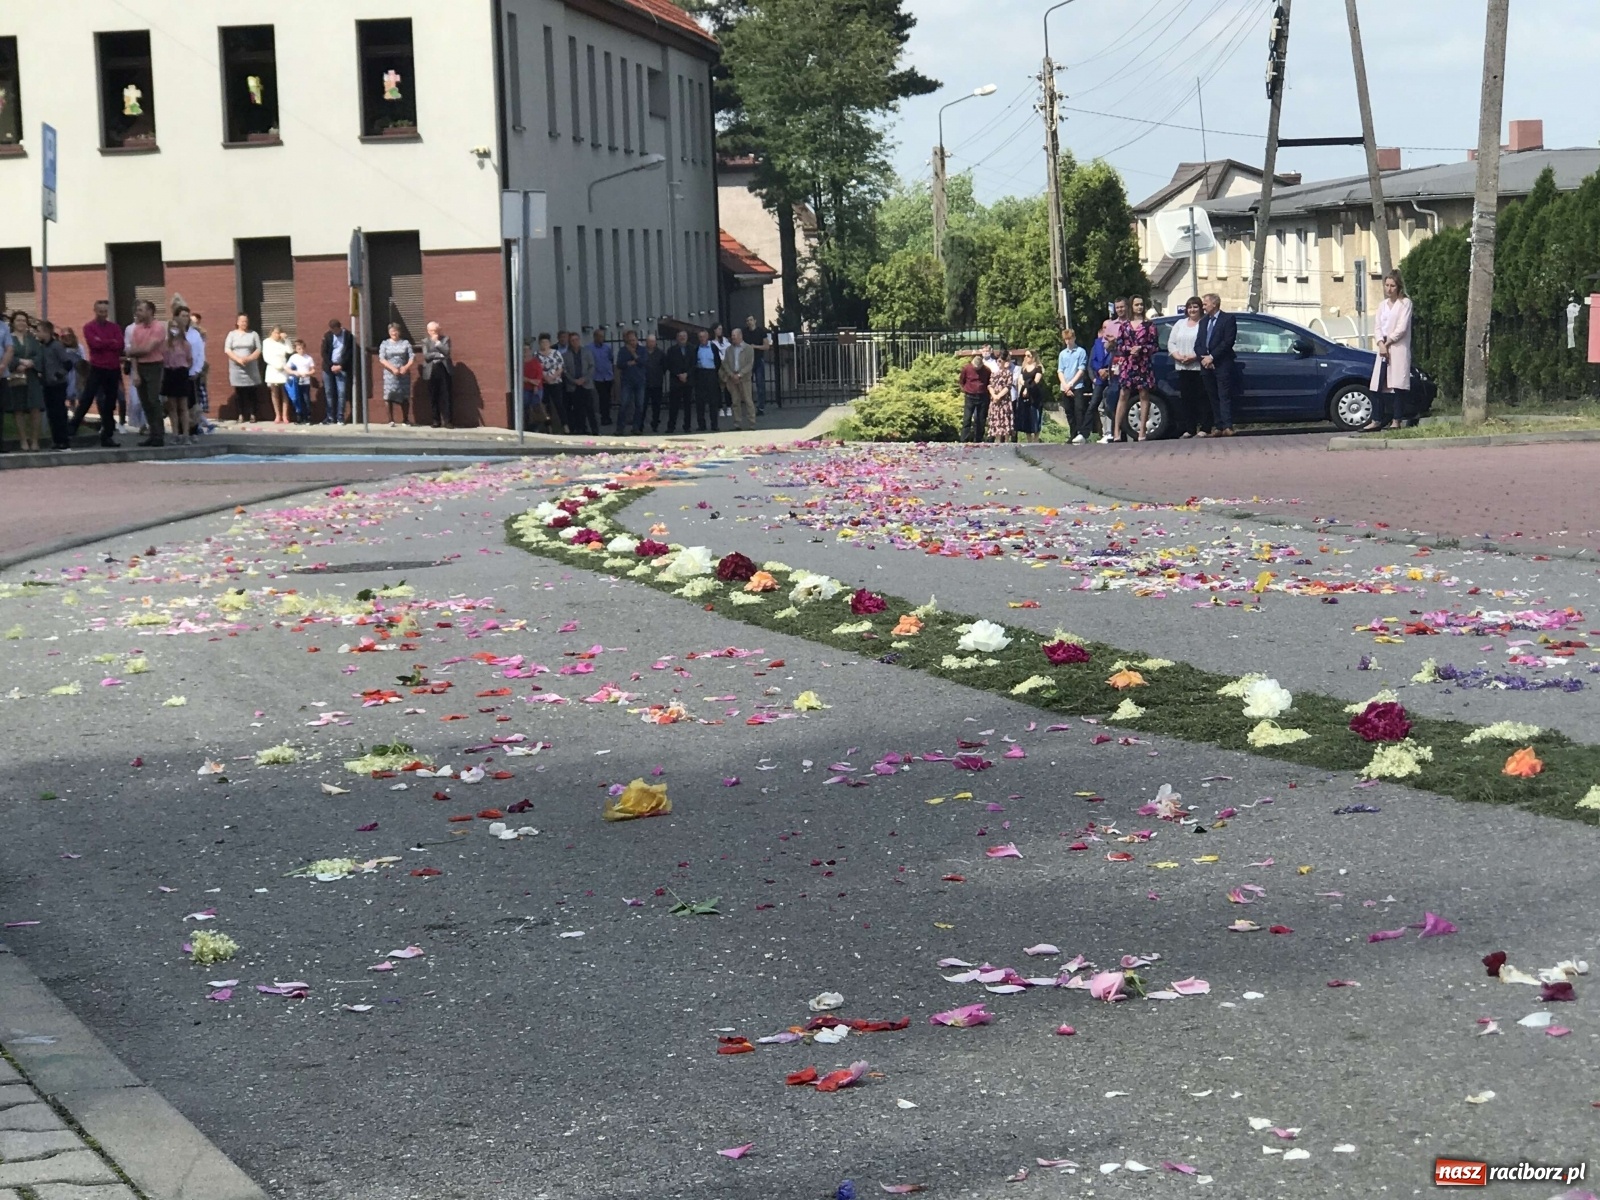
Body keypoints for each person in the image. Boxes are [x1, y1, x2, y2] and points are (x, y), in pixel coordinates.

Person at [1366, 270, 1413, 432]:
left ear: (1398, 286)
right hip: (1382, 348)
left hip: (1397, 347)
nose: (1389, 289)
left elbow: (1402, 328)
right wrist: (1380, 343)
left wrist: (1388, 341)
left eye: (1392, 286)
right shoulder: (1382, 305)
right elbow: (1377, 326)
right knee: (1377, 385)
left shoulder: (1405, 304)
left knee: (1397, 385)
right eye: (1387, 285)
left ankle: (1396, 419)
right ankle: (1376, 419)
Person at [72, 300, 124, 446]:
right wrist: (109, 342)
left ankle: (107, 434)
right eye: (100, 311)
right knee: (87, 398)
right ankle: (73, 427)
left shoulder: (115, 327)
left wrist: (104, 342)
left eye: (105, 311)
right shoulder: (89, 327)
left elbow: (120, 344)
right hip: (97, 367)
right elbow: (94, 344)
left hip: (113, 368)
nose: (103, 314)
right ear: (95, 311)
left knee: (110, 402)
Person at [1115, 296, 1158, 441]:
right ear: (1131, 307)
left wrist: (1142, 349)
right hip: (1128, 363)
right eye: (1136, 305)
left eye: (1141, 304)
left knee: (1144, 395)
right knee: (1123, 395)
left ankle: (1142, 432)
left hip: (1143, 363)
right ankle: (1116, 432)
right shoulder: (1124, 326)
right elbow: (1119, 345)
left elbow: (1155, 346)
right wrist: (1129, 349)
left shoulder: (1149, 325)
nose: (1139, 307)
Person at [125, 300, 167, 446]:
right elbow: (135, 354)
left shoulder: (158, 328)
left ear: (150, 311)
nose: (138, 313)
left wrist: (130, 351)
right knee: (144, 401)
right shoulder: (136, 329)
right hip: (140, 367)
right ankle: (151, 432)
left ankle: (159, 434)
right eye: (137, 310)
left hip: (154, 365)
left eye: (141, 310)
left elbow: (147, 349)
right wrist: (135, 372)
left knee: (153, 399)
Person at [1196, 292, 1238, 437]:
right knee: (1212, 396)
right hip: (1206, 365)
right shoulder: (1203, 321)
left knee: (1223, 395)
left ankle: (1227, 426)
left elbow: (1228, 341)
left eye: (1205, 304)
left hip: (1221, 363)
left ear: (1214, 304)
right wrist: (1204, 359)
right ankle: (1218, 426)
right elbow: (1198, 343)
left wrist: (1212, 358)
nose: (1203, 307)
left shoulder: (1228, 319)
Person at [3, 311, 45, 451]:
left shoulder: (32, 339)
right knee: (18, 408)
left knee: (35, 407)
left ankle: (34, 440)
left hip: (32, 377)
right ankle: (23, 440)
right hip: (16, 377)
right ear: (13, 323)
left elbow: (39, 354)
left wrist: (32, 363)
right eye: (18, 320)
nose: (21, 323)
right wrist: (17, 362)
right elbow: (6, 354)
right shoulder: (9, 338)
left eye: (23, 320)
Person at [1167, 296, 1207, 438]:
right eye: (1190, 307)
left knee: (1202, 398)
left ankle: (1204, 427)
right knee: (1187, 399)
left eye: (1195, 307)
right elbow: (1171, 343)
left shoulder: (1204, 323)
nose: (1192, 310)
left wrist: (1194, 356)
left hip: (1199, 366)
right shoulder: (1180, 323)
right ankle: (1190, 428)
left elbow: (1206, 343)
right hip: (1182, 366)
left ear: (1201, 308)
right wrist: (1177, 356)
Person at [37, 320, 74, 450]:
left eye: (39, 331)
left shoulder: (57, 346)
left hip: (58, 384)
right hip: (47, 384)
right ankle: (56, 439)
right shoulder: (42, 347)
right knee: (51, 413)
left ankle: (64, 439)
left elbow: (68, 363)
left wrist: (58, 375)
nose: (37, 334)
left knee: (59, 412)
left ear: (47, 332)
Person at [224, 313, 263, 423]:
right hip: (237, 368)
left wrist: (249, 358)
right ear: (237, 322)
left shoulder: (253, 334)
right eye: (242, 321)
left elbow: (259, 349)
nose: (244, 323)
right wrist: (238, 359)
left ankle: (253, 414)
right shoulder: (231, 334)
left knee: (252, 392)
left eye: (245, 321)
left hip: (250, 367)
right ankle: (240, 414)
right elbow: (227, 349)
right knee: (239, 393)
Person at [160, 315, 194, 442]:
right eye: (172, 327)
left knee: (183, 406)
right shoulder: (165, 344)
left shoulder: (185, 344)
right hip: (169, 373)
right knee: (172, 406)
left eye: (176, 327)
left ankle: (186, 434)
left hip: (181, 373)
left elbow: (190, 360)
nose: (174, 329)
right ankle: (175, 434)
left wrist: (184, 370)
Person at [1056, 329, 1090, 443]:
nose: (1067, 341)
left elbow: (1081, 369)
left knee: (1079, 410)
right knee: (1069, 411)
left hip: (1077, 386)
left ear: (1074, 338)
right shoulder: (1062, 354)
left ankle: (1081, 434)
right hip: (1065, 386)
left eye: (1069, 339)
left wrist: (1071, 384)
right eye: (1066, 339)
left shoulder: (1081, 352)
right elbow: (1060, 370)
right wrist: (1065, 386)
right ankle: (1073, 433)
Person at [721, 327, 756, 431]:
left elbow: (750, 364)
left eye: (734, 336)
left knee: (748, 400)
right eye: (732, 336)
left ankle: (752, 423)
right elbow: (725, 363)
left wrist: (740, 374)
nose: (732, 338)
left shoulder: (748, 348)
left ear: (740, 336)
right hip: (732, 378)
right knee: (735, 401)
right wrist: (731, 375)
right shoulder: (729, 349)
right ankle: (737, 423)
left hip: (744, 378)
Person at [378, 323, 414, 425]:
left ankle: (405, 420)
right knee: (389, 395)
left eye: (395, 331)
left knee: (404, 395)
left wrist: (406, 367)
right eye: (392, 331)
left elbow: (412, 357)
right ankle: (391, 420)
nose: (394, 333)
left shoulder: (405, 343)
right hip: (390, 373)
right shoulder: (384, 343)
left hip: (403, 373)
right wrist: (392, 368)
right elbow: (382, 358)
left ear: (399, 332)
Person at [563, 331, 598, 435]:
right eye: (572, 340)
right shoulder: (565, 355)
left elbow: (592, 366)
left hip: (586, 384)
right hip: (573, 385)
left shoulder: (587, 352)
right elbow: (564, 371)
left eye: (576, 340)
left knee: (590, 408)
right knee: (578, 409)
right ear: (570, 342)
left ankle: (595, 430)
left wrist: (585, 378)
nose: (575, 342)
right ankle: (581, 429)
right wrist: (573, 380)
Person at [421, 321, 454, 427]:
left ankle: (447, 421)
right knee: (433, 396)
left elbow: (447, 352)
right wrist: (439, 354)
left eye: (436, 330)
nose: (434, 333)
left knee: (446, 395)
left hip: (443, 369)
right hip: (431, 370)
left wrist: (438, 344)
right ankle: (436, 420)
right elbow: (426, 356)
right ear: (428, 331)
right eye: (431, 331)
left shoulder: (445, 339)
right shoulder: (425, 341)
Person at [321, 319, 354, 425]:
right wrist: (331, 365)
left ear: (340, 327)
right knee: (329, 392)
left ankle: (340, 417)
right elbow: (324, 352)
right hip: (328, 368)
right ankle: (330, 417)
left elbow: (350, 352)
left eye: (336, 330)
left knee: (342, 393)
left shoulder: (348, 336)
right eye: (333, 330)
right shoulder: (327, 336)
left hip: (342, 367)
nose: (335, 332)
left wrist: (341, 365)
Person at [1089, 328, 1117, 445]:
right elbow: (1091, 363)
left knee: (1110, 405)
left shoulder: (1114, 346)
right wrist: (1094, 377)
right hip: (1098, 380)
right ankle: (1106, 432)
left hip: (1111, 379)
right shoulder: (1096, 346)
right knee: (1100, 407)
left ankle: (1112, 432)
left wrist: (1107, 370)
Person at [615, 329, 646, 434]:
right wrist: (629, 363)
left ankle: (636, 427)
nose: (632, 342)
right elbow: (619, 364)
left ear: (637, 340)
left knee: (639, 405)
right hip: (627, 381)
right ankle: (620, 428)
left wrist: (634, 354)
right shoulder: (623, 350)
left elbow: (643, 362)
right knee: (623, 404)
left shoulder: (642, 350)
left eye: (633, 340)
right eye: (630, 341)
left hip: (639, 381)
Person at [184, 310, 210, 435]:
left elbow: (200, 353)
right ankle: (183, 428)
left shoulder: (198, 334)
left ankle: (195, 425)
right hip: (180, 370)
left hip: (195, 370)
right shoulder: (175, 333)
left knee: (196, 398)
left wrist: (197, 370)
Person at [664, 329, 695, 434]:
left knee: (687, 405)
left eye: (684, 336)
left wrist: (687, 374)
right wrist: (678, 374)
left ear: (687, 337)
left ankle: (687, 426)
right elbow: (668, 364)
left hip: (688, 380)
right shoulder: (671, 350)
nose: (682, 338)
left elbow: (694, 364)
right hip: (675, 381)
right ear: (677, 338)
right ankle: (671, 427)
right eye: (680, 336)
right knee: (674, 406)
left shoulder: (692, 349)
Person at [692, 327, 722, 433]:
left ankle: (714, 425)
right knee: (700, 402)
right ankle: (701, 425)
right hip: (700, 374)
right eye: (700, 337)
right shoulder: (696, 348)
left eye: (704, 336)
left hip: (711, 374)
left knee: (713, 401)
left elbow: (718, 362)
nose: (702, 339)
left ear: (707, 337)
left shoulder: (713, 347)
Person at [1015, 349, 1046, 444]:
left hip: (1034, 395)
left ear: (1033, 357)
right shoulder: (1023, 368)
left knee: (1036, 416)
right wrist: (1024, 386)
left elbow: (1036, 381)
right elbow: (1020, 380)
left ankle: (1036, 439)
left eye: (1028, 355)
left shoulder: (1038, 368)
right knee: (1026, 416)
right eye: (1025, 355)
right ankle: (1028, 440)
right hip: (1024, 395)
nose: (1026, 357)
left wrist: (1027, 388)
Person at [261, 325, 291, 423]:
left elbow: (290, 350)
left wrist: (286, 339)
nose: (277, 335)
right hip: (272, 368)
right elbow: (266, 357)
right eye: (276, 333)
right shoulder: (266, 342)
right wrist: (276, 365)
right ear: (271, 333)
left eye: (279, 333)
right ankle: (277, 415)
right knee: (274, 393)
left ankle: (284, 415)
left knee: (285, 392)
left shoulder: (283, 342)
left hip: (283, 369)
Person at [959, 350, 990, 442]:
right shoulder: (967, 368)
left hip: (983, 396)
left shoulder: (986, 370)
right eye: (975, 367)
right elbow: (961, 380)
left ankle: (978, 440)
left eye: (978, 368)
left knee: (980, 419)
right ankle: (964, 440)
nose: (976, 369)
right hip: (970, 396)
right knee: (967, 419)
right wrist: (964, 389)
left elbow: (989, 382)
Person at [537, 333, 565, 433]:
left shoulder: (556, 353)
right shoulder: (536, 355)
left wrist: (553, 377)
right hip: (544, 384)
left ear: (550, 343)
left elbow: (561, 366)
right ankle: (549, 427)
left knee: (559, 404)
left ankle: (565, 426)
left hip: (556, 382)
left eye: (546, 342)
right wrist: (546, 378)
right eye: (542, 342)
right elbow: (537, 369)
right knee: (545, 405)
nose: (544, 344)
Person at [986, 347, 1016, 443]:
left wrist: (999, 396)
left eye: (1000, 361)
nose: (998, 363)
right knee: (996, 422)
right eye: (997, 361)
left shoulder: (1008, 373)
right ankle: (997, 441)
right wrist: (994, 395)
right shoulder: (994, 373)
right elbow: (990, 385)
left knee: (1005, 421)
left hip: (1004, 401)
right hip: (995, 401)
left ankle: (1006, 441)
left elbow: (1008, 386)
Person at [285, 338, 315, 423]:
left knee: (306, 399)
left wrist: (308, 374)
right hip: (296, 382)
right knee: (298, 399)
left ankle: (308, 417)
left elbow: (313, 370)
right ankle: (299, 417)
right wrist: (294, 372)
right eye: (299, 349)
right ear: (296, 349)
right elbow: (287, 368)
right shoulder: (293, 357)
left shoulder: (308, 358)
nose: (301, 350)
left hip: (305, 382)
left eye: (302, 348)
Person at [589, 327, 614, 426]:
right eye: (599, 336)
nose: (601, 338)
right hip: (597, 377)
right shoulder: (589, 348)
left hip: (608, 376)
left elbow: (611, 359)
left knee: (607, 398)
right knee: (602, 397)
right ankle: (604, 417)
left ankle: (607, 415)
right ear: (595, 337)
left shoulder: (607, 347)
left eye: (602, 337)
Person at [744, 315, 769, 416]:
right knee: (747, 385)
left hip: (758, 360)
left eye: (751, 320)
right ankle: (750, 407)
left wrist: (755, 347)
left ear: (755, 321)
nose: (749, 322)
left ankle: (761, 407)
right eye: (747, 320)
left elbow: (766, 346)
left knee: (760, 384)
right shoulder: (744, 332)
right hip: (747, 361)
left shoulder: (761, 332)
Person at [520, 338, 546, 432]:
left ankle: (536, 429)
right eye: (523, 350)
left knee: (536, 408)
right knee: (526, 409)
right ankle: (526, 428)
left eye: (527, 350)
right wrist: (531, 381)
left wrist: (532, 383)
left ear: (530, 351)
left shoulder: (536, 362)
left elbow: (538, 378)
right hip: (525, 389)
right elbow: (520, 377)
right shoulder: (520, 363)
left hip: (536, 389)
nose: (525, 352)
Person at [643, 333, 668, 433]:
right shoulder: (642, 352)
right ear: (646, 342)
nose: (651, 343)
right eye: (649, 341)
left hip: (657, 383)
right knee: (642, 405)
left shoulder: (660, 353)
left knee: (656, 406)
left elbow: (665, 365)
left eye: (653, 341)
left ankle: (655, 425)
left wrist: (659, 373)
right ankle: (640, 425)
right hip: (644, 383)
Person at [710, 323, 731, 421]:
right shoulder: (711, 342)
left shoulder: (726, 341)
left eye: (721, 329)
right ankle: (720, 407)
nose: (720, 331)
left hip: (726, 365)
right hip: (717, 366)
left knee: (727, 386)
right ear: (714, 330)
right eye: (719, 329)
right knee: (718, 387)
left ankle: (729, 406)